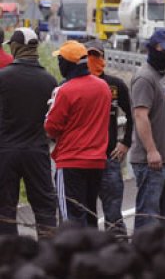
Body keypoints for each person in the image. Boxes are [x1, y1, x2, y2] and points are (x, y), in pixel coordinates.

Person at [45, 40, 112, 227]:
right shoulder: (103, 87)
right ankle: (92, 254)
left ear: (68, 63)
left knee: (71, 218)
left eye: (60, 60)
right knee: (90, 212)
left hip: (71, 160)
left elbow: (51, 127)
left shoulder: (65, 91)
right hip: (97, 160)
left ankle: (72, 255)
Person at [0, 28, 57, 237]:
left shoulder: (3, 78)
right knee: (45, 209)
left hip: (6, 151)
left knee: (5, 209)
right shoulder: (49, 80)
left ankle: (8, 257)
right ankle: (49, 256)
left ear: (16, 47)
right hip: (37, 151)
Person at [130, 28, 165, 230]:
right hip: (151, 160)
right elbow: (140, 115)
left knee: (164, 217)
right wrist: (152, 150)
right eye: (164, 50)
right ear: (153, 48)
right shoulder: (145, 78)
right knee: (149, 217)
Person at [85, 39, 133, 234]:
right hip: (84, 159)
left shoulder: (115, 85)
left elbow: (133, 114)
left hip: (109, 159)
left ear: (104, 58)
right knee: (86, 213)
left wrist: (125, 143)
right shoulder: (74, 85)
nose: (93, 60)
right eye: (89, 56)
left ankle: (117, 255)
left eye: (96, 56)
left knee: (113, 216)